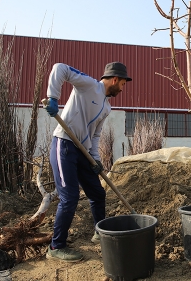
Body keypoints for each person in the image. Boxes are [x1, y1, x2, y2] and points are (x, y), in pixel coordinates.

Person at [45, 62, 132, 262]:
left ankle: (98, 232)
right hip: (64, 144)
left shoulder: (107, 107)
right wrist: (53, 97)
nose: (122, 88)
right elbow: (60, 68)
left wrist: (95, 160)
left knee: (97, 192)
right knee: (70, 197)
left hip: (82, 151)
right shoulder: (89, 85)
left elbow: (95, 136)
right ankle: (56, 246)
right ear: (115, 79)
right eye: (123, 84)